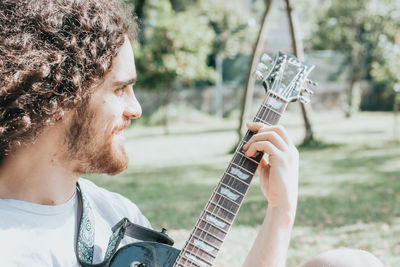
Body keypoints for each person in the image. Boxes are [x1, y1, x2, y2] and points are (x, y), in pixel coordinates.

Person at [0, 0, 385, 266]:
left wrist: (280, 212)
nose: (136, 108)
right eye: (120, 89)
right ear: (56, 95)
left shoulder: (116, 214)